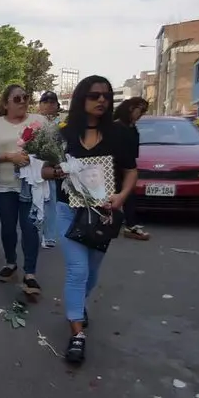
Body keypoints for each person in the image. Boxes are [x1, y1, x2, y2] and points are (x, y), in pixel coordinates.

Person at [43, 75, 137, 365]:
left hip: (103, 214)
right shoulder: (62, 133)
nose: (101, 100)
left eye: (106, 96)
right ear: (81, 98)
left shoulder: (119, 134)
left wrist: (121, 196)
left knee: (92, 271)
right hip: (67, 210)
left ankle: (78, 305)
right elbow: (45, 171)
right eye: (94, 95)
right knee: (77, 270)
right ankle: (77, 334)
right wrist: (59, 172)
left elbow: (131, 170)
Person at [0, 85, 45, 297]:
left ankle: (31, 273)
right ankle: (10, 262)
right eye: (17, 99)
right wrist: (9, 157)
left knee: (29, 227)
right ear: (6, 103)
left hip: (30, 185)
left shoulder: (39, 122)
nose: (23, 102)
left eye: (26, 97)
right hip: (4, 185)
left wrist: (34, 158)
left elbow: (50, 147)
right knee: (8, 227)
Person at [113, 97, 150, 240]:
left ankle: (130, 225)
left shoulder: (132, 127)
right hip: (115, 167)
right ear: (130, 109)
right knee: (115, 195)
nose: (140, 115)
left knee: (129, 195)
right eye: (140, 111)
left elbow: (134, 149)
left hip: (128, 167)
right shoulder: (116, 126)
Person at [36, 91, 62, 248]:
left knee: (51, 201)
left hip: (55, 167)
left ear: (57, 106)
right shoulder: (35, 123)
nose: (48, 105)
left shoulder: (62, 124)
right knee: (36, 201)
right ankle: (36, 234)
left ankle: (50, 236)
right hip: (35, 167)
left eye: (52, 102)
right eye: (45, 101)